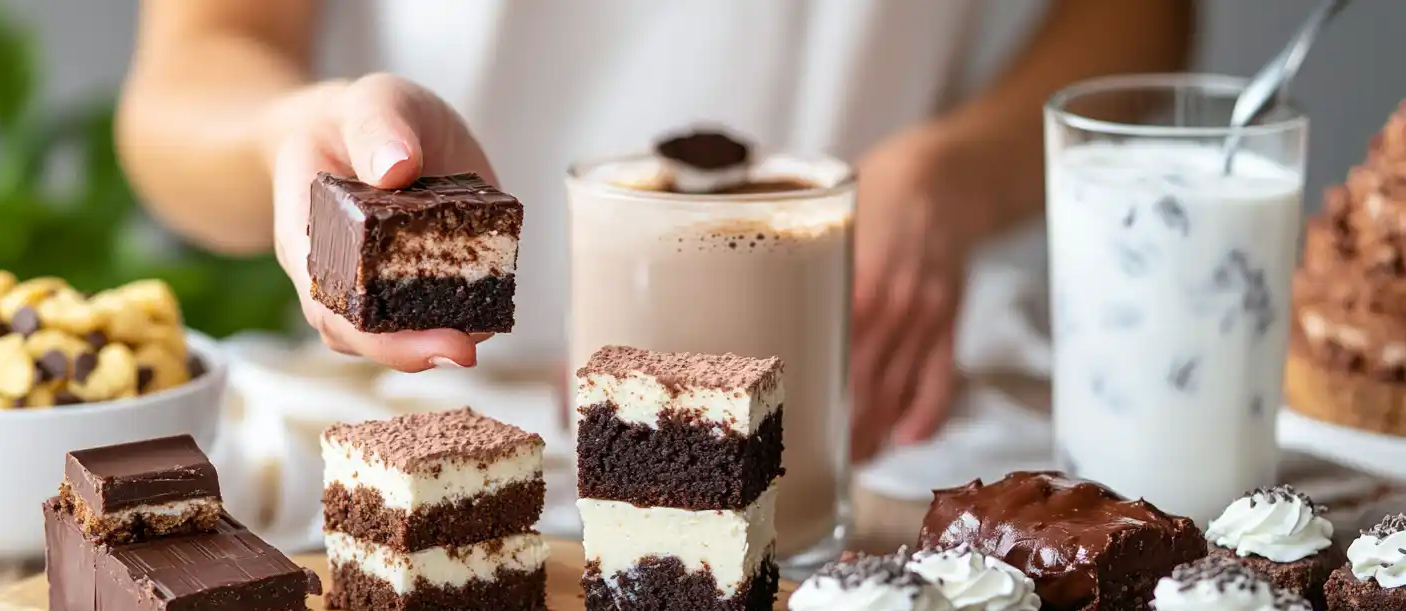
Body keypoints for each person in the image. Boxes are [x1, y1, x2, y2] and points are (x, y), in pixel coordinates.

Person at [116, 0, 1195, 461]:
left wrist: (954, 174)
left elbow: (1141, 15)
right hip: (442, 413)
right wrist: (287, 137)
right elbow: (194, 65)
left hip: (873, 413)